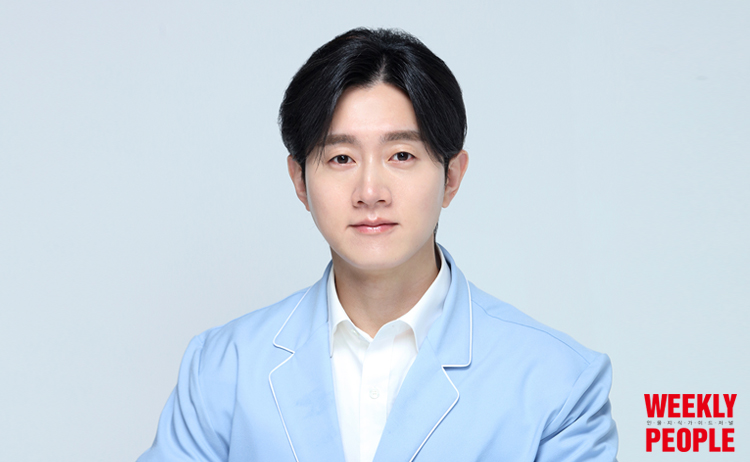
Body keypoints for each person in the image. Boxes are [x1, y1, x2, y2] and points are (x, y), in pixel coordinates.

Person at [138, 28, 618, 462]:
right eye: (341, 158)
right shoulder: (223, 367)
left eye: (401, 155)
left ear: (452, 176)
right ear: (300, 181)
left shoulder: (558, 381)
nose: (370, 191)